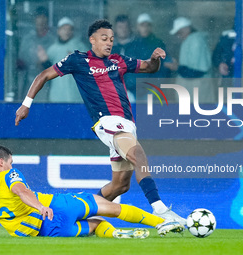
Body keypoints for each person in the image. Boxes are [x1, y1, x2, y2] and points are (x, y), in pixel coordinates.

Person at [15, 19, 187, 226]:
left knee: (120, 185)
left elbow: (149, 68)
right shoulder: (77, 60)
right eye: (104, 38)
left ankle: (77, 216)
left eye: (112, 39)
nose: (109, 43)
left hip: (127, 123)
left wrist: (154, 58)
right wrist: (26, 104)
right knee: (138, 155)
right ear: (92, 40)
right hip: (108, 122)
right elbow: (44, 75)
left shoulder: (118, 60)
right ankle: (160, 209)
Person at [0, 145, 184, 238]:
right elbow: (20, 191)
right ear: (2, 162)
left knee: (96, 225)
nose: (11, 166)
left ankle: (114, 234)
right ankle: (162, 222)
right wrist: (40, 206)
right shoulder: (8, 175)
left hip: (47, 232)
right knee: (110, 208)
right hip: (55, 207)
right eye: (10, 162)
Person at [38, 17, 88, 103]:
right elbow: (47, 72)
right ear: (58, 31)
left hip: (76, 97)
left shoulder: (79, 47)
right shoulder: (53, 49)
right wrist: (44, 61)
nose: (66, 32)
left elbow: (89, 68)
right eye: (64, 29)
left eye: (69, 29)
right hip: (56, 97)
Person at [126, 13, 172, 99]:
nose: (145, 28)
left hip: (151, 89)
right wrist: (127, 87)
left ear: (151, 27)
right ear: (137, 27)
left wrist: (157, 86)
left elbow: (165, 66)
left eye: (147, 25)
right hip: (133, 90)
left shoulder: (158, 44)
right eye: (142, 25)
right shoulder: (131, 46)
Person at [168, 17, 214, 103]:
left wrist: (177, 68)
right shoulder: (191, 40)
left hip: (197, 87)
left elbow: (197, 71)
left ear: (187, 28)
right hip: (194, 88)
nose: (179, 36)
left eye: (180, 33)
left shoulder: (196, 41)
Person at [18, 6, 56, 102]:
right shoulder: (27, 39)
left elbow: (58, 64)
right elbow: (20, 62)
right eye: (38, 17)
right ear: (34, 20)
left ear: (47, 19)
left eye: (43, 17)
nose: (40, 20)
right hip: (27, 82)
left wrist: (45, 64)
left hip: (47, 83)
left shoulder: (53, 40)